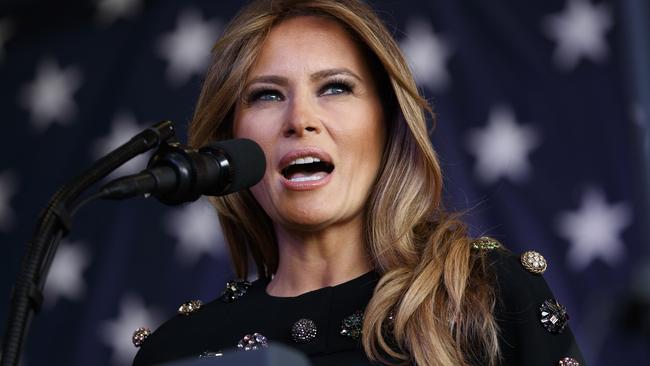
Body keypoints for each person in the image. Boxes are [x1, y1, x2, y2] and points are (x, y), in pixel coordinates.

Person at [132, 0, 585, 365]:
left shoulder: (486, 293)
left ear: (387, 124)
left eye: (335, 88)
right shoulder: (177, 352)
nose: (301, 120)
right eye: (266, 95)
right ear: (230, 143)